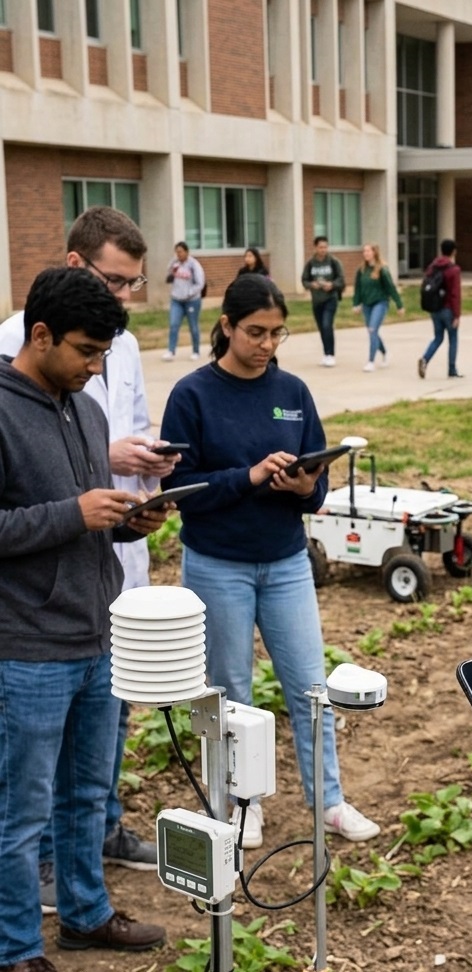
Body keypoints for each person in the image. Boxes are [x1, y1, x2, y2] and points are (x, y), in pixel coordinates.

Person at [159, 274, 379, 849]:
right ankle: (242, 803)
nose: (267, 344)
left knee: (311, 685)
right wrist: (251, 476)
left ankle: (327, 800)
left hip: (285, 562)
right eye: (255, 332)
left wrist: (304, 486)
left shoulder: (294, 392)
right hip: (217, 563)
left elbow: (319, 488)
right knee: (232, 692)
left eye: (278, 333)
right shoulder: (192, 395)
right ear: (226, 326)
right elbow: (179, 488)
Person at [0, 205, 179, 906]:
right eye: (85, 353)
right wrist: (74, 513)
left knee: (85, 791)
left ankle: (84, 909)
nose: (96, 367)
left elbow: (86, 505)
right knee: (23, 808)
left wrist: (134, 521)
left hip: (97, 623)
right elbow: (41, 509)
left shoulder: (89, 398)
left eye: (104, 355)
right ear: (41, 336)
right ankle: (17, 942)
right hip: (31, 641)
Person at [352, 242, 404, 372]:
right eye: (364, 251)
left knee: (372, 329)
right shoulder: (362, 270)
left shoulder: (382, 269)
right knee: (372, 332)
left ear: (374, 252)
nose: (366, 254)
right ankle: (385, 353)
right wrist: (356, 304)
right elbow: (358, 288)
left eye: (368, 251)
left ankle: (371, 361)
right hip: (366, 304)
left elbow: (390, 288)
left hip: (380, 303)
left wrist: (399, 304)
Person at [417, 239, 463, 379]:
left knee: (438, 337)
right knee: (453, 338)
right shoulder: (453, 270)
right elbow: (455, 293)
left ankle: (425, 358)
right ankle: (452, 369)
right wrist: (457, 315)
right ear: (454, 251)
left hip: (435, 308)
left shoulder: (432, 267)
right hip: (448, 308)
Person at [301, 236, 345, 368]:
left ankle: (331, 355)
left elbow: (341, 279)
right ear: (315, 247)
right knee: (321, 328)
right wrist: (311, 285)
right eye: (320, 247)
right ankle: (326, 354)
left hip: (330, 299)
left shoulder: (333, 262)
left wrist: (332, 285)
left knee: (327, 325)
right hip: (316, 300)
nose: (323, 250)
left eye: (325, 247)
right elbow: (304, 280)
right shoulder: (310, 263)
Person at [163, 241, 205, 361]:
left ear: (186, 252)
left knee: (193, 326)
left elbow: (200, 283)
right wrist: (172, 264)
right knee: (173, 325)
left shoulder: (194, 264)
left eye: (180, 252)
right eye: (176, 252)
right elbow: (168, 273)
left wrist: (189, 293)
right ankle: (171, 351)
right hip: (176, 300)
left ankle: (196, 351)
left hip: (192, 300)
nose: (178, 254)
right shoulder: (175, 263)